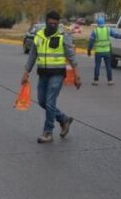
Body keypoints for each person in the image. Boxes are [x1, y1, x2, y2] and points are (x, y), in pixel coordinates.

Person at [21, 11, 81, 143]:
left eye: (55, 23)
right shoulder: (39, 35)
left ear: (58, 23)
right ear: (46, 22)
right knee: (42, 101)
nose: (53, 25)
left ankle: (48, 132)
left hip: (57, 74)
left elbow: (71, 56)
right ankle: (63, 119)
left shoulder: (62, 35)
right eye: (50, 23)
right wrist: (26, 72)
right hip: (43, 74)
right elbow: (32, 55)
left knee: (49, 101)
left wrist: (77, 75)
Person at [86, 16, 121, 86]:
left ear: (98, 23)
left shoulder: (95, 31)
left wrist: (89, 50)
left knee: (97, 66)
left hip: (98, 52)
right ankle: (110, 80)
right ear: (104, 23)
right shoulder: (108, 29)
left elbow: (91, 42)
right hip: (107, 51)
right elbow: (115, 35)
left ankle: (96, 81)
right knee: (108, 66)